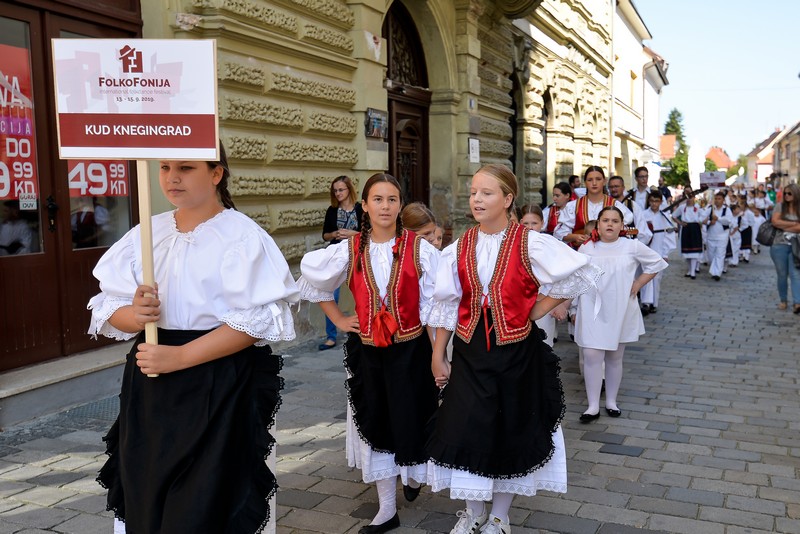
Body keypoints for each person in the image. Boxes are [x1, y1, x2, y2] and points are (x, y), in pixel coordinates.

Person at [89, 145, 299, 533]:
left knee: (207, 495)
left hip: (217, 381)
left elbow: (254, 323)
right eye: (165, 167)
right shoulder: (147, 234)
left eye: (186, 167)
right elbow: (107, 308)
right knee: (147, 484)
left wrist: (180, 358)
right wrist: (135, 314)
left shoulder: (241, 236)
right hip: (151, 383)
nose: (171, 177)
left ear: (216, 173)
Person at [427, 164, 601, 534]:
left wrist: (533, 309)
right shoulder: (461, 245)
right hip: (471, 350)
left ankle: (499, 517)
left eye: (487, 193)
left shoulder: (529, 241)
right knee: (465, 427)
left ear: (508, 199)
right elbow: (445, 303)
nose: (477, 199)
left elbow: (576, 272)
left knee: (509, 427)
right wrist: (438, 353)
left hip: (515, 351)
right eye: (474, 192)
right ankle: (472, 511)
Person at [298, 173, 440, 533]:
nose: (385, 206)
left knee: (412, 417)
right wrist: (339, 318)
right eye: (377, 199)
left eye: (392, 199)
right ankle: (386, 509)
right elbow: (314, 282)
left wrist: (439, 352)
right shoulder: (350, 248)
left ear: (400, 205)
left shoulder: (418, 248)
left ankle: (413, 475)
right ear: (365, 205)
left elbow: (442, 299)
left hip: (410, 349)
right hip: (368, 351)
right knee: (375, 421)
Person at [574, 206, 667, 422]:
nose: (610, 224)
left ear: (622, 225)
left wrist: (638, 283)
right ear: (597, 224)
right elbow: (576, 277)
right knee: (591, 355)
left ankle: (611, 401)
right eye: (605, 220)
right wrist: (568, 306)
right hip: (593, 307)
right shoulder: (587, 248)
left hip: (621, 307)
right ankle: (593, 405)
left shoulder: (632, 246)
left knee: (615, 357)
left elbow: (656, 263)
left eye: (615, 221)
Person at [319, 176, 363, 350]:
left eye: (341, 190)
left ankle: (360, 328)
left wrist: (352, 234)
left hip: (356, 253)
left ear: (349, 190)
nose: (338, 193)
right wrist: (335, 234)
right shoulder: (332, 210)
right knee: (330, 294)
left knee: (361, 293)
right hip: (336, 255)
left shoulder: (361, 209)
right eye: (335, 190)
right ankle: (331, 336)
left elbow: (369, 232)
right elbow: (325, 235)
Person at [555, 166, 633, 249]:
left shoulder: (616, 206)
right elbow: (560, 233)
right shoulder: (573, 206)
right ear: (585, 182)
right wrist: (575, 237)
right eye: (590, 180)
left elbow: (624, 233)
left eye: (598, 179)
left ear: (604, 181)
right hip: (581, 255)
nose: (594, 183)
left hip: (609, 253)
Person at [640, 190, 676, 314]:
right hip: (646, 249)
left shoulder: (665, 216)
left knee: (657, 277)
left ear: (661, 202)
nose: (654, 204)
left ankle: (654, 302)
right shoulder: (643, 215)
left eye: (657, 201)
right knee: (645, 275)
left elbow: (669, 235)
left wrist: (666, 253)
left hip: (659, 250)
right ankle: (646, 302)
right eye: (652, 201)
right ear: (649, 201)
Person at [769, 182, 800, 313]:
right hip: (779, 245)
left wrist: (784, 224)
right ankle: (783, 300)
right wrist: (794, 223)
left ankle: (797, 303)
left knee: (795, 274)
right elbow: (775, 222)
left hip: (796, 245)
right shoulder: (779, 207)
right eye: (785, 193)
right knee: (782, 274)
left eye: (789, 193)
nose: (787, 196)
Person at [607, 175, 652, 244]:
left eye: (616, 186)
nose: (613, 189)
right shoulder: (605, 204)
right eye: (611, 187)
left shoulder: (633, 206)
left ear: (623, 188)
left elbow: (643, 231)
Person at [673, 188, 706, 279]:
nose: (689, 199)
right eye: (687, 197)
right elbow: (674, 216)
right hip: (686, 228)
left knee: (695, 251)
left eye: (691, 197)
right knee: (687, 251)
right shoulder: (682, 207)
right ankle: (690, 269)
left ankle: (693, 272)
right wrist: (680, 223)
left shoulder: (697, 207)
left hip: (695, 228)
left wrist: (700, 221)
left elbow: (704, 216)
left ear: (694, 198)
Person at [706, 191, 734, 281]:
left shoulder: (727, 210)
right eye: (716, 199)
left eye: (719, 199)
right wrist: (710, 222)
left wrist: (718, 219)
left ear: (723, 200)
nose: (718, 201)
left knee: (720, 255)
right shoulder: (710, 208)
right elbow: (702, 219)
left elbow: (729, 221)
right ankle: (714, 269)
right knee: (711, 255)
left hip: (722, 236)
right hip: (711, 236)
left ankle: (717, 273)